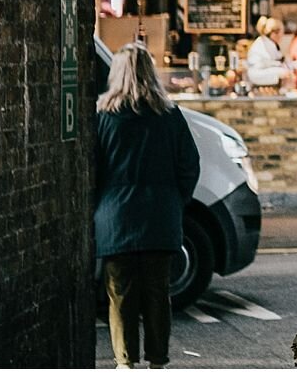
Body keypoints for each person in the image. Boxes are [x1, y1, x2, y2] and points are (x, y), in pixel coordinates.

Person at [95, 42, 202, 370]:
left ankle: (125, 363)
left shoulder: (103, 117)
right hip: (160, 217)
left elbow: (93, 169)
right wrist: (174, 200)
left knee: (120, 297)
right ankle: (158, 361)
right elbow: (190, 166)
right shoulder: (169, 116)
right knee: (158, 294)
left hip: (116, 219)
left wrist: (99, 205)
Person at [246, 16, 290, 88]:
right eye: (282, 32)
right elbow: (262, 66)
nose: (282, 36)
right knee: (284, 73)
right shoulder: (262, 45)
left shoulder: (268, 43)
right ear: (274, 33)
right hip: (256, 78)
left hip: (261, 78)